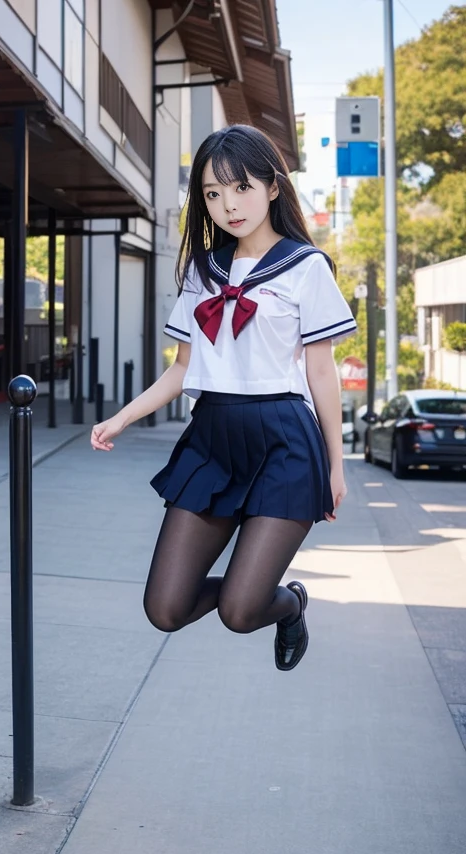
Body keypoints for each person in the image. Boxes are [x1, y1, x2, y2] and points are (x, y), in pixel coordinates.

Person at [91, 124, 356, 671]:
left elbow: (322, 375)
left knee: (240, 610)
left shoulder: (307, 267)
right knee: (165, 607)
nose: (228, 205)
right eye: (213, 193)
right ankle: (264, 592)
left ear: (273, 188)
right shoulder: (201, 270)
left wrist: (336, 465)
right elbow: (183, 369)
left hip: (284, 439)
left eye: (240, 188)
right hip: (212, 437)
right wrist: (121, 418)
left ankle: (289, 604)